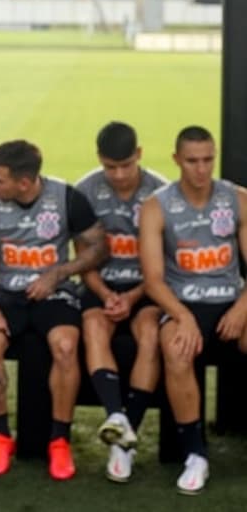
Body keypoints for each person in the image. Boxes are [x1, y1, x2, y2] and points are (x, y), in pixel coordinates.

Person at [0, 140, 107, 481]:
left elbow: (98, 248)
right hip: (5, 293)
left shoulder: (67, 198)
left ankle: (59, 440)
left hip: (55, 292)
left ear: (24, 182)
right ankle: (1, 437)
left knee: (65, 346)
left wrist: (59, 273)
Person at [139, 125, 247, 495]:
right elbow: (153, 280)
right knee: (176, 348)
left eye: (207, 160)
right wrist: (183, 316)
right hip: (183, 302)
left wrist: (242, 307)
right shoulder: (156, 206)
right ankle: (195, 454)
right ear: (176, 160)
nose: (201, 169)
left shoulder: (238, 199)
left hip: (232, 301)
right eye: (192, 161)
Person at [74, 122, 166, 483]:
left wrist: (133, 295)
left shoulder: (160, 192)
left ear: (138, 155)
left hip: (148, 286)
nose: (119, 175)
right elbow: (83, 258)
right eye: (110, 167)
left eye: (126, 165)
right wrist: (106, 295)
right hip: (103, 285)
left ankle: (124, 439)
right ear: (100, 159)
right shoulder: (85, 191)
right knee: (93, 325)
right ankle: (116, 416)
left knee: (150, 334)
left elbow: (164, 263)